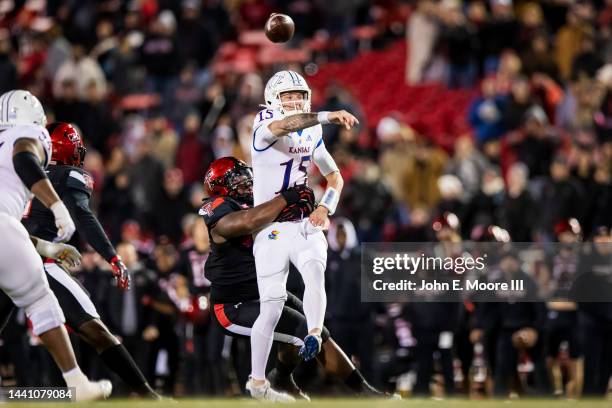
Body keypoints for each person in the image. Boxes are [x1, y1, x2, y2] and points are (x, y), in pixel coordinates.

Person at [201, 157, 388, 401]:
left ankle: (289, 378)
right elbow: (248, 221)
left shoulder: (259, 201)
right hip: (234, 304)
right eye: (237, 178)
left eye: (246, 173)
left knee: (316, 331)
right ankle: (261, 384)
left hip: (267, 290)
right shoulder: (218, 207)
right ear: (218, 185)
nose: (246, 180)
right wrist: (287, 198)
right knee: (299, 331)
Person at [0, 122, 159, 398]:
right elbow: (84, 216)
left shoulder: (13, 171)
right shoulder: (66, 174)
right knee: (94, 328)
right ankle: (148, 395)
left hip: (10, 253)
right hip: (36, 261)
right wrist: (111, 255)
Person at [248, 70, 358, 400]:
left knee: (314, 267)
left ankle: (313, 331)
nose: (295, 101)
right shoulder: (265, 121)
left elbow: (335, 176)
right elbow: (285, 126)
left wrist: (326, 206)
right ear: (272, 100)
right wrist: (325, 114)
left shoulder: (313, 130)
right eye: (288, 96)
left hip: (302, 221)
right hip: (269, 226)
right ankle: (257, 383)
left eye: (299, 95)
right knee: (271, 307)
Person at [0, 90, 110, 401]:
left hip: (6, 229)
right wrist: (57, 206)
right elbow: (23, 156)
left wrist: (46, 249)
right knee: (39, 299)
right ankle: (77, 384)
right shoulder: (28, 134)